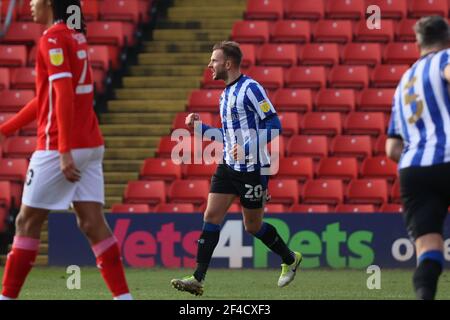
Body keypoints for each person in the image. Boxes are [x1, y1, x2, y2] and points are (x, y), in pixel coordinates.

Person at [0, 0, 132, 300]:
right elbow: (46, 98)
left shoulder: (52, 39)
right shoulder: (76, 36)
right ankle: (124, 298)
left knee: (26, 221)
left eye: (34, 0)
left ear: (48, 2)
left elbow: (62, 94)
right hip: (91, 144)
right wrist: (6, 129)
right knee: (92, 223)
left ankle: (6, 298)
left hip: (59, 145)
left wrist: (63, 150)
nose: (30, 5)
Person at [171, 41, 302, 296]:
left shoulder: (251, 88)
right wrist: (198, 129)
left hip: (253, 169)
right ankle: (197, 278)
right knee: (211, 216)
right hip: (228, 167)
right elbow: (227, 137)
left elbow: (275, 124)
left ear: (228, 63)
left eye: (214, 60)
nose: (210, 65)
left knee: (252, 226)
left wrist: (249, 147)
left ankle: (289, 258)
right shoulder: (225, 95)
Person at [386, 15, 450, 300]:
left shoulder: (404, 82)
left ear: (418, 43)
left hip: (414, 170)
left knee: (428, 251)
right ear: (446, 38)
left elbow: (391, 148)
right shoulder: (446, 58)